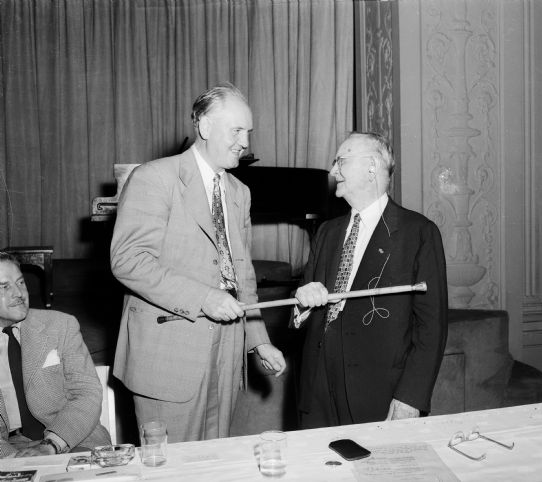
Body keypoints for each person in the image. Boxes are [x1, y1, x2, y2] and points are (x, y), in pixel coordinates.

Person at [110, 82, 286, 442]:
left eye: (248, 133)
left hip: (227, 353)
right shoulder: (155, 178)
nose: (245, 142)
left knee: (213, 463)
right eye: (236, 130)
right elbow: (128, 260)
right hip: (167, 355)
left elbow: (242, 275)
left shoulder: (239, 193)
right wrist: (204, 297)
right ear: (205, 127)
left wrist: (257, 340)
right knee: (170, 469)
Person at [293, 131, 448, 429]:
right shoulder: (327, 232)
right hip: (317, 393)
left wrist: (411, 399)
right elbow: (303, 308)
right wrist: (302, 304)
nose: (332, 171)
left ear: (372, 168)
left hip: (378, 395)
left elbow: (432, 329)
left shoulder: (418, 233)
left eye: (340, 161)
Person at [0, 252, 111, 458]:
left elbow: (87, 394)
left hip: (71, 439)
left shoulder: (61, 325)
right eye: (4, 286)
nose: (19, 293)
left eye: (20, 282)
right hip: (8, 450)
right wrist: (13, 460)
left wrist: (51, 445)